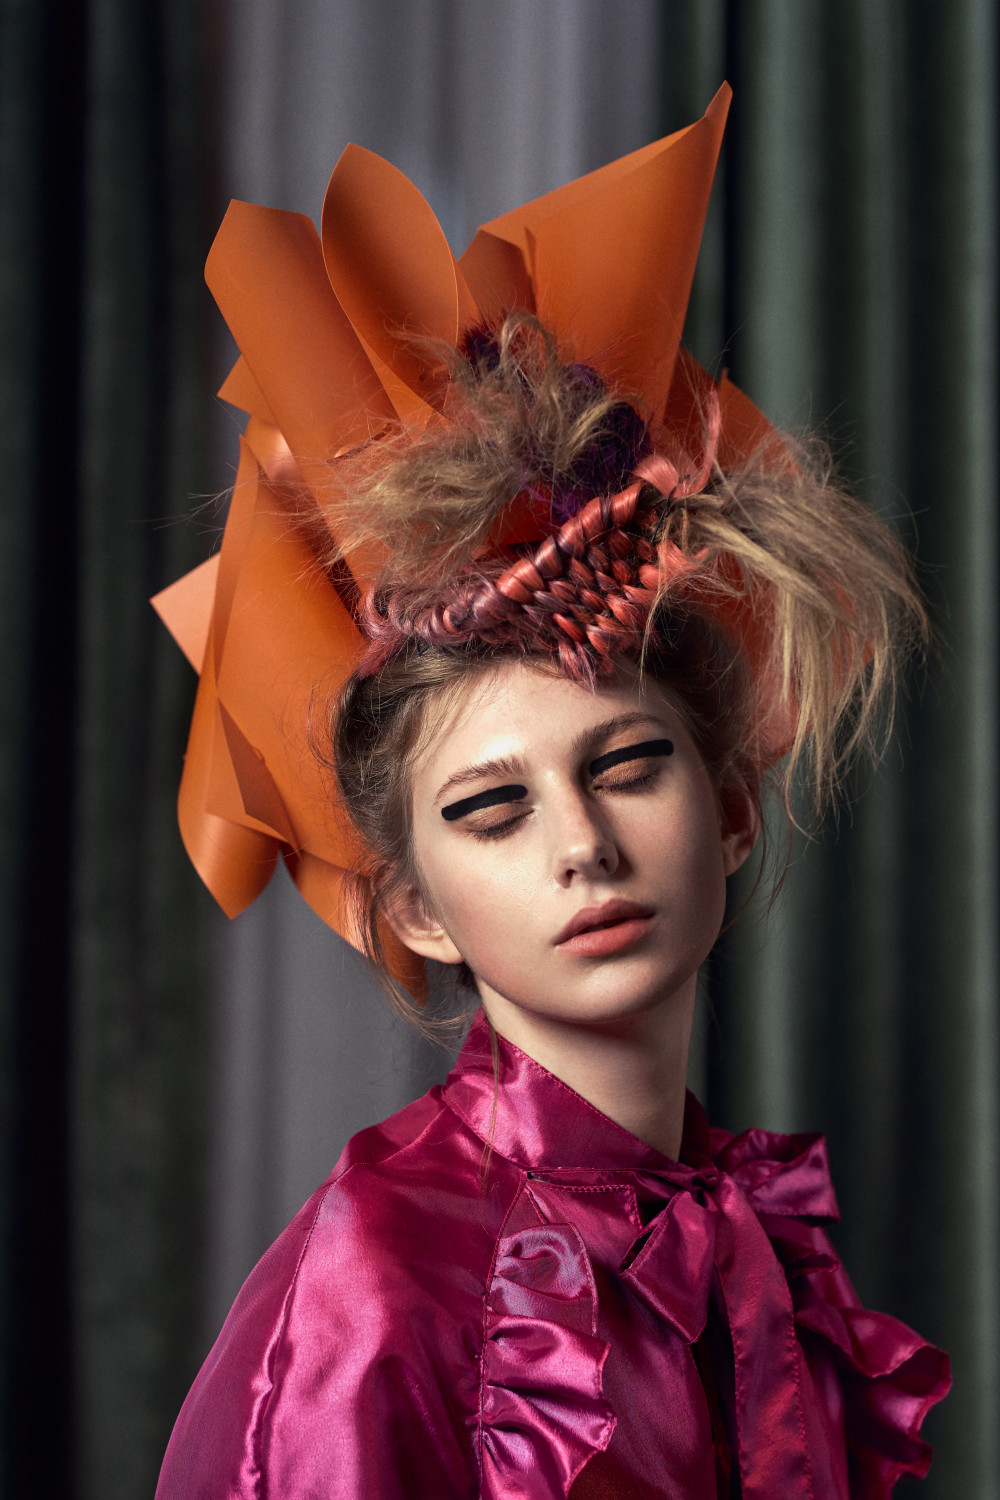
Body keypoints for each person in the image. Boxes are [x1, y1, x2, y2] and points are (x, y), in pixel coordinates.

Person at [153, 87, 950, 1499]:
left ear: (732, 809)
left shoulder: (755, 1248)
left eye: (628, 767)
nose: (582, 845)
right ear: (416, 907)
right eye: (491, 809)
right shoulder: (375, 1290)